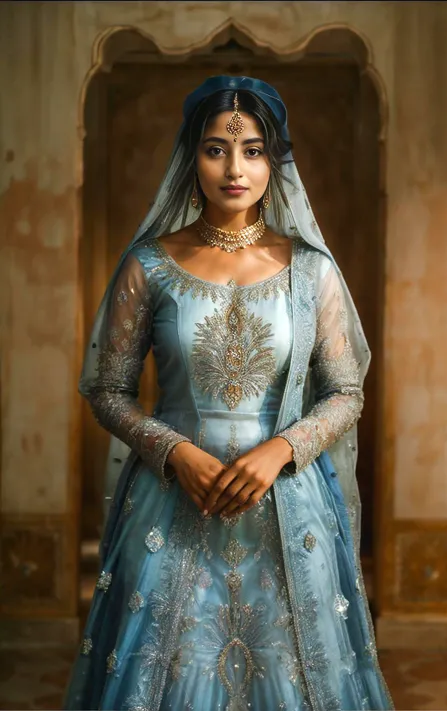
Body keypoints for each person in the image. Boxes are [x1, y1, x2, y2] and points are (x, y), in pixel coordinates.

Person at [64, 75, 393, 711]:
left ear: (276, 160)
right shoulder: (149, 265)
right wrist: (174, 452)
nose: (234, 168)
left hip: (288, 511)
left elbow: (345, 392)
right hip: (171, 503)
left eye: (253, 150)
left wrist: (281, 451)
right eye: (216, 149)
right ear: (191, 157)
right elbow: (107, 390)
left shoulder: (311, 269)